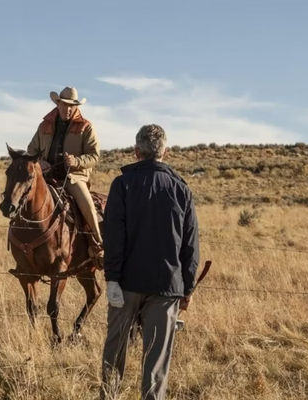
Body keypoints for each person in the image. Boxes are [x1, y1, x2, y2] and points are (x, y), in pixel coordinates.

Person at [100, 124, 199, 400]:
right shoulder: (181, 189)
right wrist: (187, 289)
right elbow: (190, 246)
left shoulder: (123, 184)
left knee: (114, 352)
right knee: (156, 362)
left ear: (136, 151)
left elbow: (113, 236)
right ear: (164, 152)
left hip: (126, 284)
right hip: (166, 288)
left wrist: (112, 279)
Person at [27, 86, 104, 264]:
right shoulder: (44, 125)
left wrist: (76, 162)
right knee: (24, 197)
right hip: (46, 176)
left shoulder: (86, 127)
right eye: (65, 105)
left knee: (87, 205)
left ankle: (97, 243)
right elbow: (31, 151)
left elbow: (94, 155)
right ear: (58, 103)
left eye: (72, 106)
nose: (68, 109)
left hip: (73, 177)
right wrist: (39, 162)